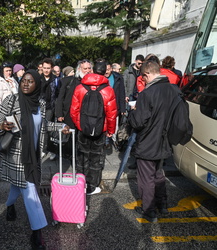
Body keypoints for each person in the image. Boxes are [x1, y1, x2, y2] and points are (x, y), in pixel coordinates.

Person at [0, 69, 69, 249]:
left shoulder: (40, 104)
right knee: (30, 189)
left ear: (37, 85)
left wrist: (60, 126)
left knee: (17, 187)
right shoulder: (11, 100)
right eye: (23, 80)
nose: (25, 84)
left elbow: (43, 125)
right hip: (16, 155)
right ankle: (37, 232)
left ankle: (9, 205)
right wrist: (3, 125)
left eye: (30, 81)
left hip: (33, 154)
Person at [128, 60, 176, 223]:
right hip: (164, 139)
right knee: (158, 174)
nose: (143, 81)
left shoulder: (147, 94)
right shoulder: (173, 90)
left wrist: (132, 112)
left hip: (148, 141)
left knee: (146, 177)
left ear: (148, 74)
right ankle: (162, 205)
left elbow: (137, 122)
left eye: (143, 77)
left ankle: (149, 210)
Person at [70, 61, 117, 195]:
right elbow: (112, 114)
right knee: (96, 157)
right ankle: (92, 185)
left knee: (82, 156)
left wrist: (79, 125)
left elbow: (73, 110)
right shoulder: (108, 90)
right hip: (100, 129)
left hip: (83, 128)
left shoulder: (80, 87)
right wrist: (111, 131)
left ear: (93, 70)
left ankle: (80, 182)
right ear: (105, 72)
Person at [55, 59, 92, 129]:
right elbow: (60, 98)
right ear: (79, 69)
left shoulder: (93, 83)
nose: (87, 71)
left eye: (89, 68)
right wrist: (59, 114)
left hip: (86, 116)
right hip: (69, 114)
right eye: (85, 69)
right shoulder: (68, 81)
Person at [104, 60, 126, 150]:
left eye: (108, 69)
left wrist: (123, 108)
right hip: (103, 106)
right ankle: (106, 141)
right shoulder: (100, 77)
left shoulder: (118, 78)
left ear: (111, 69)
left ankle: (111, 139)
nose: (107, 72)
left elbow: (122, 93)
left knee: (114, 126)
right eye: (105, 69)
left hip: (114, 106)